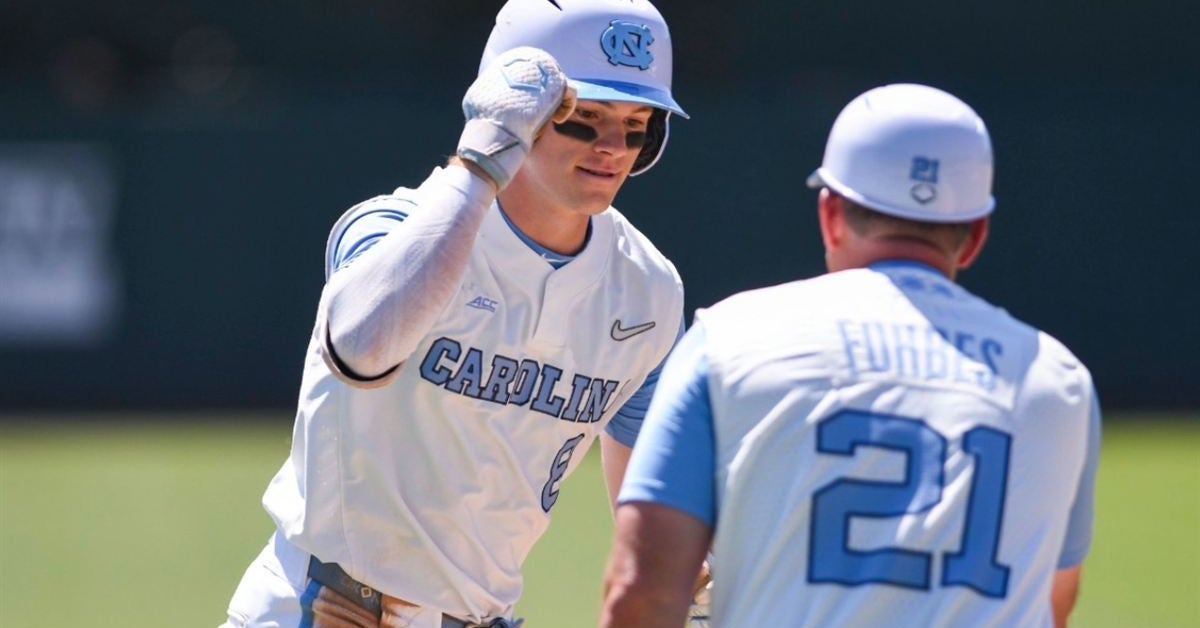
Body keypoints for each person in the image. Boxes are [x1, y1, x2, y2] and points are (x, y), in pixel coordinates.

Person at [222, 0, 689, 626]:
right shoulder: (390, 228)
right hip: (326, 609)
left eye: (637, 124)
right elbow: (359, 350)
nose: (614, 147)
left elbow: (651, 511)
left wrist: (698, 579)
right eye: (584, 118)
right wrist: (481, 160)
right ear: (514, 107)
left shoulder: (648, 291)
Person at [600, 83, 1100, 627]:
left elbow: (639, 590)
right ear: (976, 235)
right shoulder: (1057, 381)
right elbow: (1051, 604)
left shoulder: (727, 339)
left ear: (830, 212)